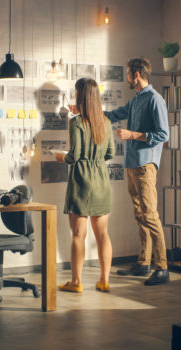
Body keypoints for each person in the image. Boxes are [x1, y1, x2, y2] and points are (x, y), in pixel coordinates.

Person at [105, 57, 170, 286]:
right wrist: (87, 111)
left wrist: (133, 135)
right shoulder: (135, 101)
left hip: (145, 165)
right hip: (132, 165)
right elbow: (113, 115)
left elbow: (164, 135)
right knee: (139, 214)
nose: (126, 78)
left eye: (127, 73)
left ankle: (162, 267)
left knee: (150, 215)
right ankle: (143, 263)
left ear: (136, 74)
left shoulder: (155, 100)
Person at [58, 78, 115, 293]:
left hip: (82, 181)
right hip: (101, 180)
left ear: (80, 95)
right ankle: (104, 280)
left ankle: (76, 282)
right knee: (103, 235)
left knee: (78, 234)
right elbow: (110, 153)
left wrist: (61, 158)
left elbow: (75, 155)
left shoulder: (76, 122)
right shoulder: (106, 122)